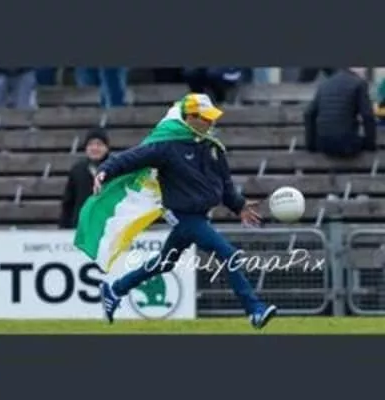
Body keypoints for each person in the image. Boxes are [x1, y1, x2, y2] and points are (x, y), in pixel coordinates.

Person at [93, 93, 277, 329]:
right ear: (190, 118)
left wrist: (239, 206)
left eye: (212, 117)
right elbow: (131, 157)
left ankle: (115, 290)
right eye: (205, 118)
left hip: (198, 216)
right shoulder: (167, 146)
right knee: (228, 254)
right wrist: (105, 170)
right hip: (183, 216)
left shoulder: (213, 147)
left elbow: (225, 185)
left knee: (165, 263)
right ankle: (254, 310)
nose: (211, 122)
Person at [304, 67, 377, 156]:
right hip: (347, 144)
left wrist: (311, 144)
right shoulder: (359, 83)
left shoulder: (324, 84)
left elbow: (308, 113)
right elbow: (367, 115)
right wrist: (370, 144)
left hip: (324, 144)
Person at [59, 128, 110, 229]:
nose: (95, 148)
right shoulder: (77, 170)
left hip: (107, 225)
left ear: (106, 148)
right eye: (90, 144)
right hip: (80, 226)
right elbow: (68, 203)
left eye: (99, 144)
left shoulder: (115, 169)